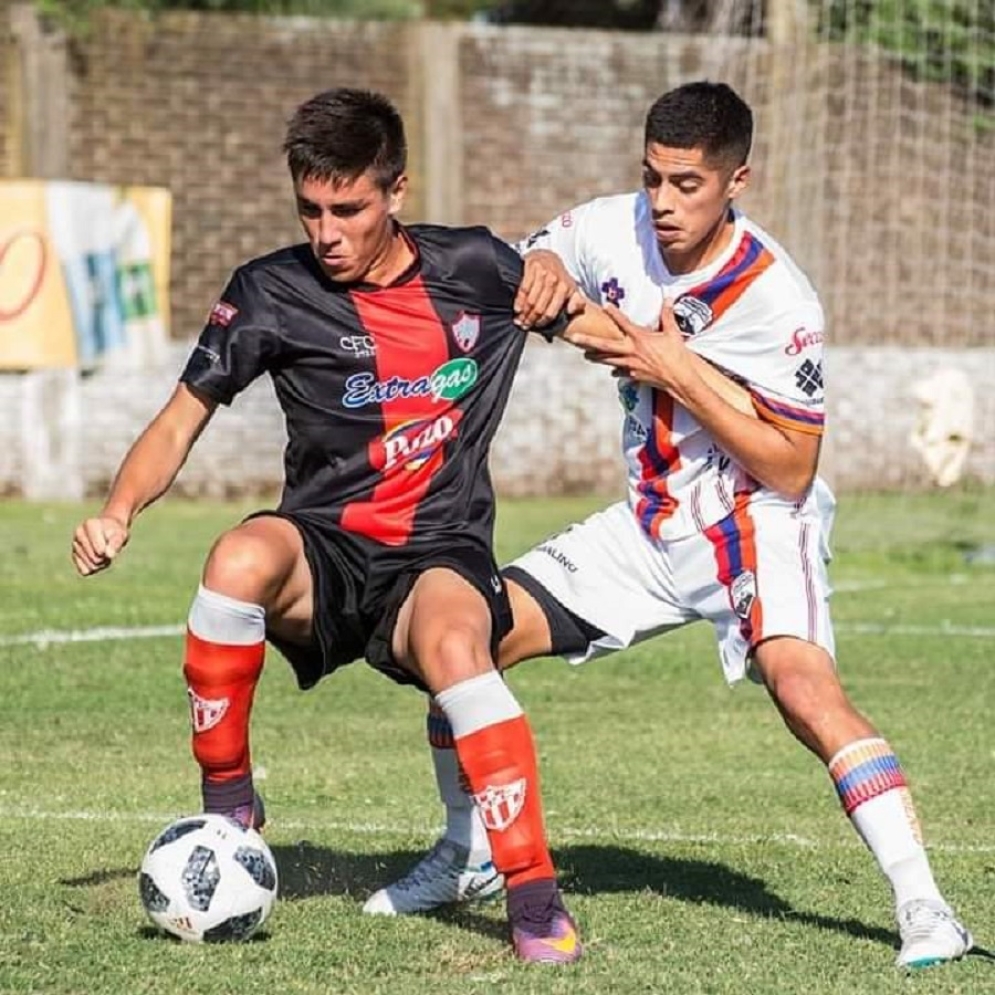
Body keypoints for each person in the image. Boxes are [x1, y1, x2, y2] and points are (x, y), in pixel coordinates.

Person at [361, 81, 974, 972]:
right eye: (652, 176)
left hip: (753, 517)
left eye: (687, 183)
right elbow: (537, 255)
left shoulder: (777, 299)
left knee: (801, 685)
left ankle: (926, 906)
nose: (662, 200)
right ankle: (470, 853)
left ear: (735, 182)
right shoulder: (611, 226)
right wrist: (545, 264)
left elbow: (792, 466)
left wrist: (673, 367)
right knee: (456, 639)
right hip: (648, 526)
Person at [68, 86, 649, 965]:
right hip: (326, 552)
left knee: (455, 648)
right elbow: (182, 417)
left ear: (396, 191)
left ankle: (533, 897)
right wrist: (117, 512)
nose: (326, 233)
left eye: (348, 210)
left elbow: (606, 337)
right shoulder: (268, 290)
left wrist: (634, 332)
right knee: (236, 558)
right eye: (310, 210)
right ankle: (229, 805)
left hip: (439, 554)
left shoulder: (477, 270)